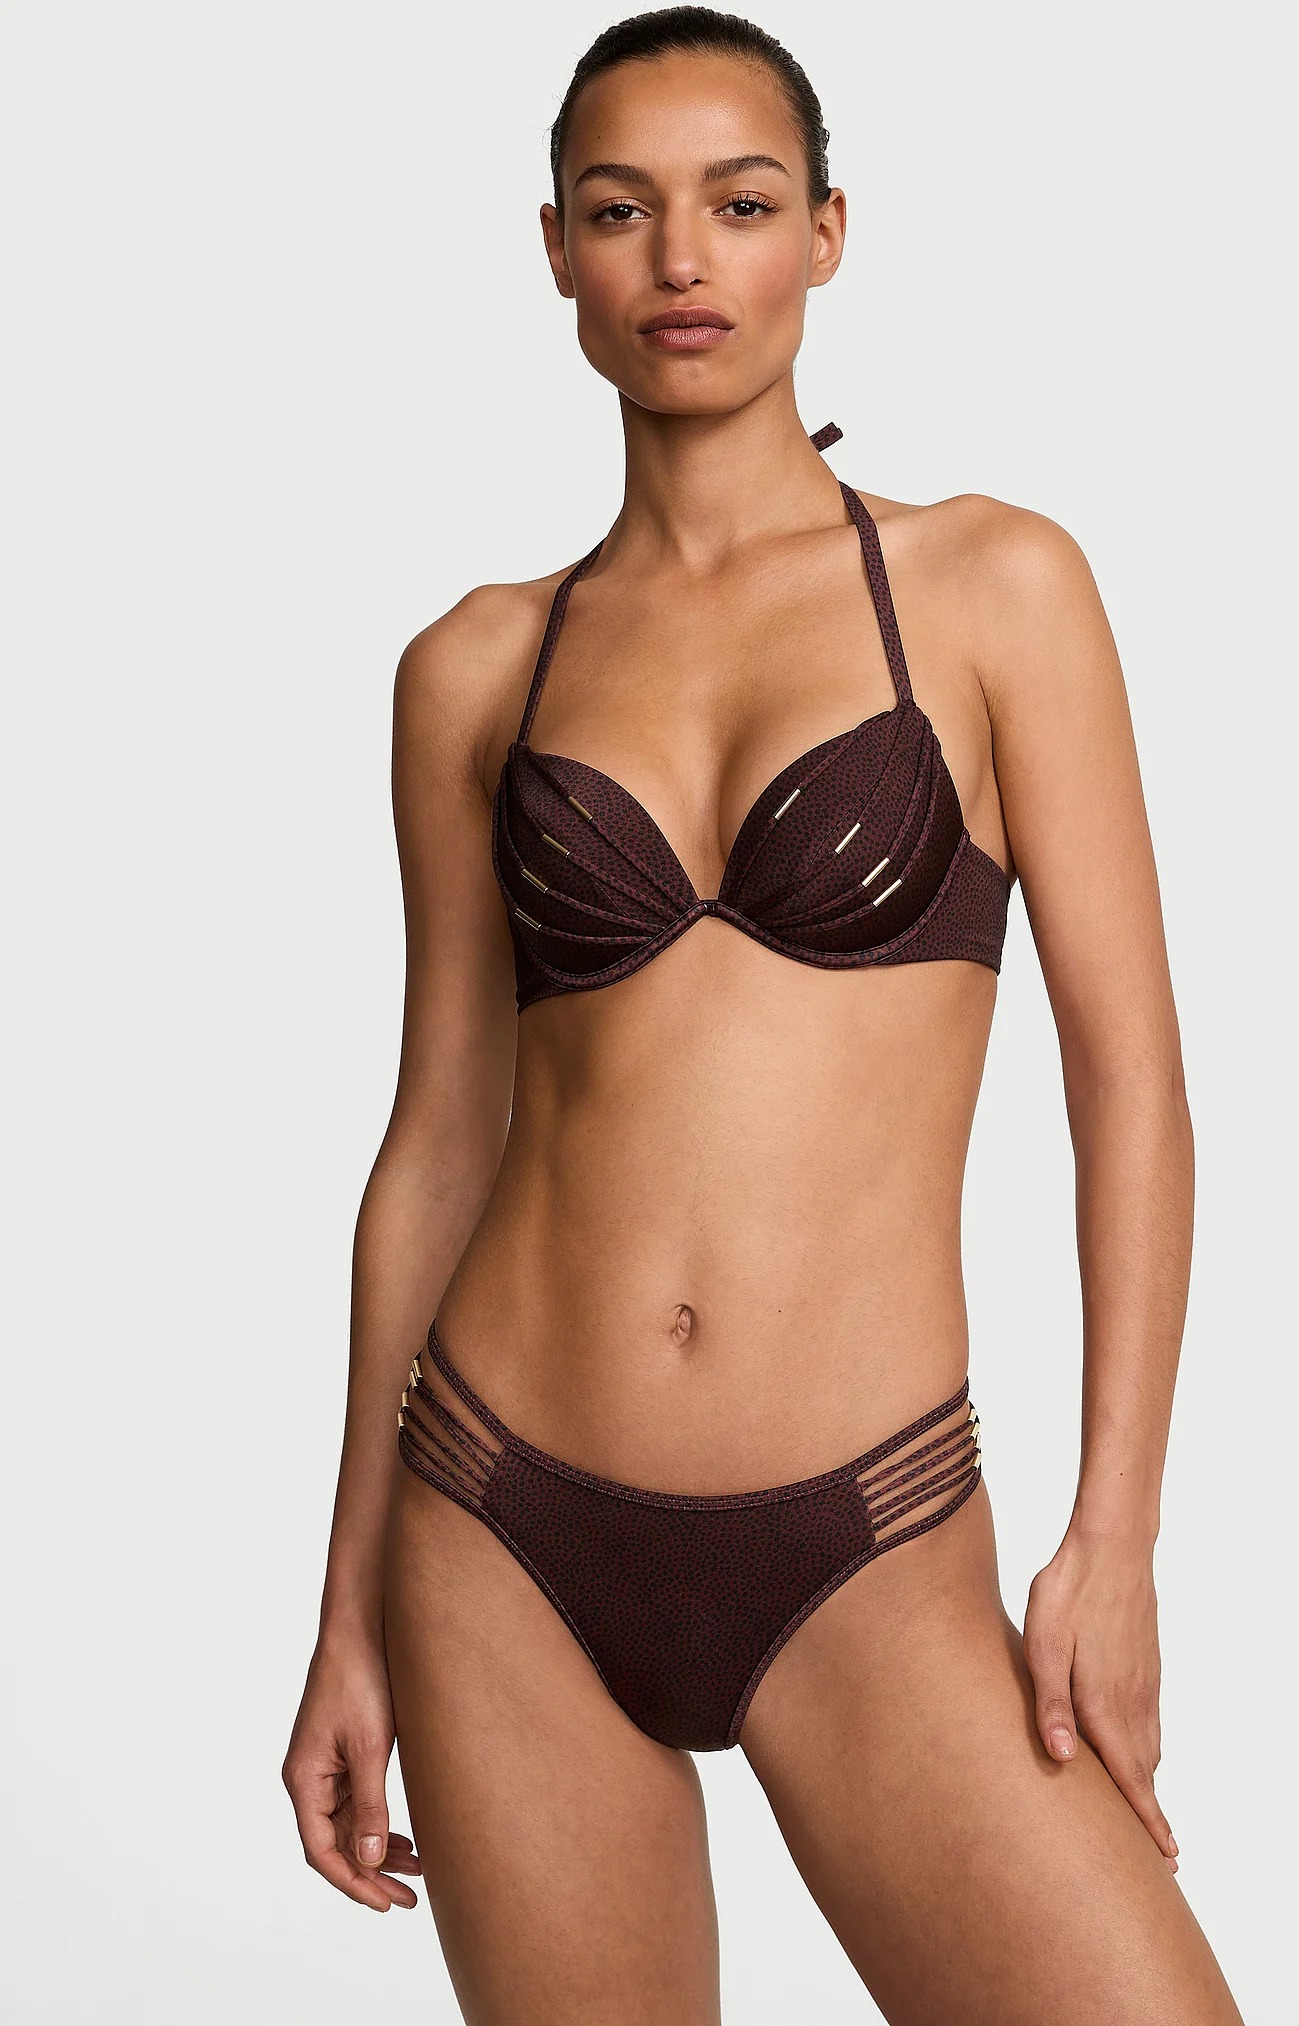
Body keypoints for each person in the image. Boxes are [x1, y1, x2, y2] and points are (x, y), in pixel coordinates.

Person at [283, 9, 1245, 2021]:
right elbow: (438, 1136)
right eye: (620, 210)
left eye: (737, 203)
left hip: (870, 1534)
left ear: (825, 231)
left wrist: (1117, 1533)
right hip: (498, 1523)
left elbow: (1131, 1080)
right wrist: (345, 1603)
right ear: (555, 251)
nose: (680, 260)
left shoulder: (993, 590)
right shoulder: (474, 667)